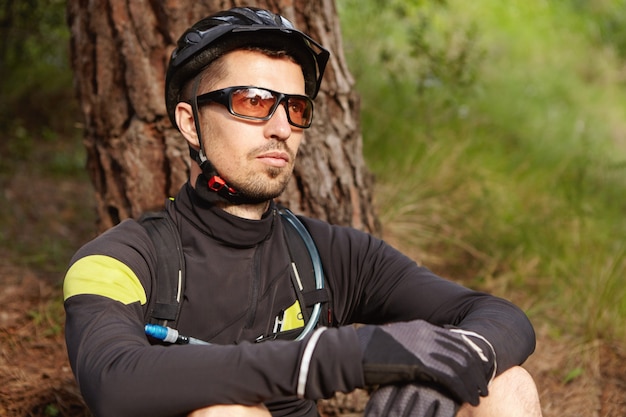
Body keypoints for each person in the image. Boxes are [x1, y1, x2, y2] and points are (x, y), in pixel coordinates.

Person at [63, 7, 542, 417]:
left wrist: (445, 367)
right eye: (252, 102)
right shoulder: (119, 260)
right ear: (190, 123)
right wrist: (350, 356)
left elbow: (498, 315)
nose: (280, 128)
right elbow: (112, 379)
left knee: (507, 384)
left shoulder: (324, 253)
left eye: (294, 107)